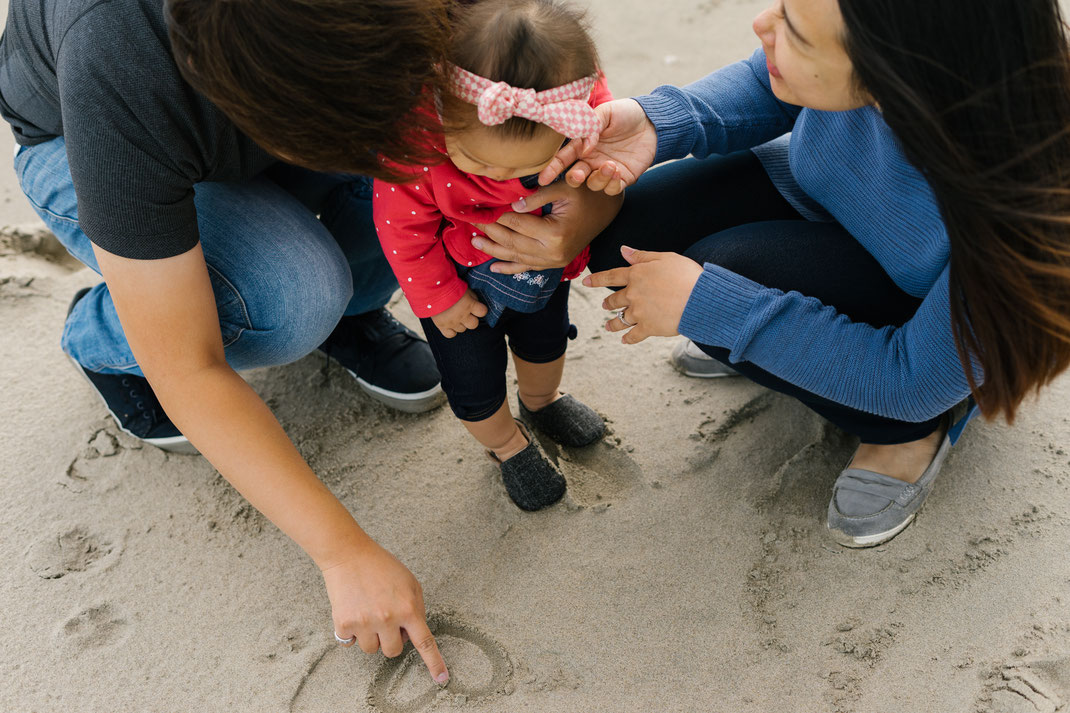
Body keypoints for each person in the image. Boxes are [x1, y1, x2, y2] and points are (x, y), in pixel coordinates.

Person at [0, 0, 622, 682]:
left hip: (279, 97)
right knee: (295, 296)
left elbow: (549, 70)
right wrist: (342, 551)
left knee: (406, 190)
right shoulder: (119, 62)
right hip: (75, 138)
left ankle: (348, 306)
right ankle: (101, 334)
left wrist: (594, 202)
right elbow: (188, 365)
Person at [473, 0, 1070, 548]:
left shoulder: (1029, 212)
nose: (763, 24)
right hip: (819, 196)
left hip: (916, 332)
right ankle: (768, 340)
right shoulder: (895, 74)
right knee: (625, 238)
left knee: (718, 281)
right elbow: (770, 82)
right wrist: (656, 124)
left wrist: (712, 305)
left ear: (897, 81)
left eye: (796, 33)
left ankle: (909, 436)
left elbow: (908, 377)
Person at [373, 0, 612, 512]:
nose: (502, 179)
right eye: (478, 162)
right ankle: (506, 445)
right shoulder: (417, 141)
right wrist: (439, 297)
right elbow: (401, 231)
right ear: (441, 113)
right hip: (455, 281)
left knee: (545, 344)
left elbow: (607, 150)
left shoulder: (576, 114)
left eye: (529, 165)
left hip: (539, 266)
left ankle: (542, 400)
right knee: (473, 381)